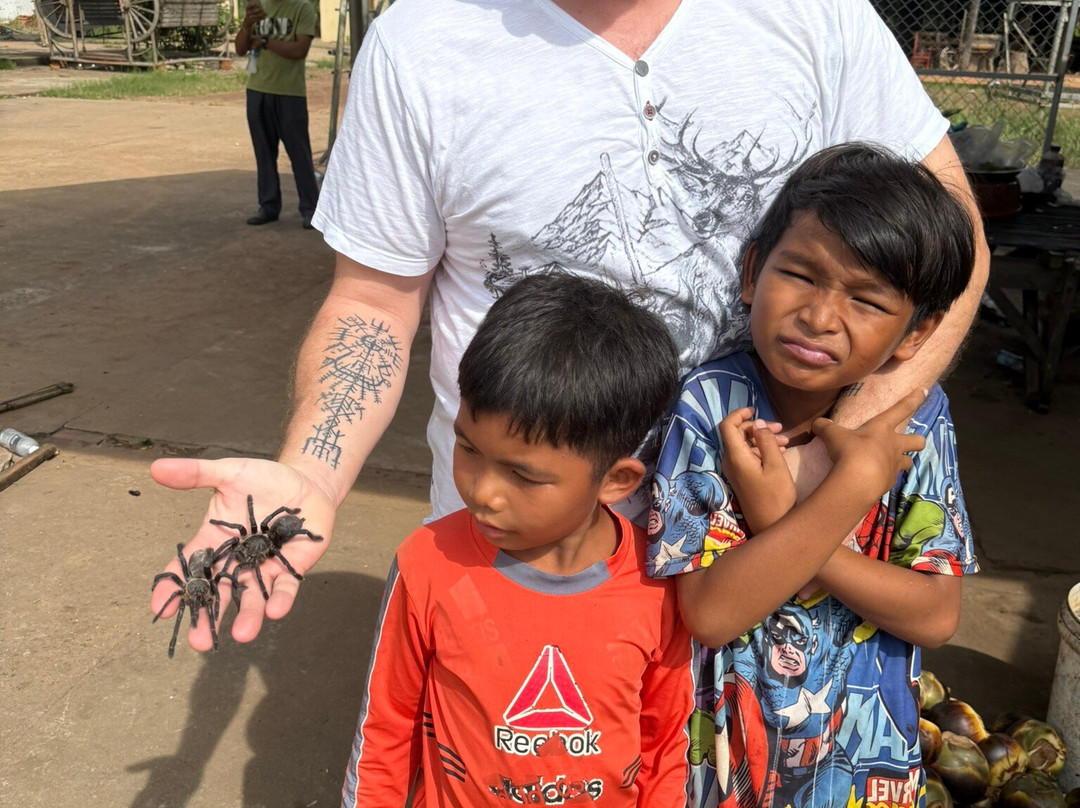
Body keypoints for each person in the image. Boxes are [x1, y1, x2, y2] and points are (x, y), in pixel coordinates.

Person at [149, 0, 989, 654]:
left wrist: (832, 454)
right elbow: (375, 300)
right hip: (527, 552)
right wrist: (312, 476)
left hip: (753, 559)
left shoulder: (815, 15)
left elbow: (954, 239)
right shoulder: (421, 42)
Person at [645, 143, 979, 808]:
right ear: (751, 272)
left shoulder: (919, 421)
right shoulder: (713, 406)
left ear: (918, 333)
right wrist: (849, 490)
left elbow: (936, 616)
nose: (821, 316)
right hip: (719, 774)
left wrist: (782, 520)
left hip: (864, 775)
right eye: (800, 274)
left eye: (866, 300)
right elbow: (709, 613)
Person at [341, 273, 694, 806]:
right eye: (467, 448)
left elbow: (666, 742)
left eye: (524, 477)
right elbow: (385, 731)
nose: (484, 493)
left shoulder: (658, 582)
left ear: (615, 481)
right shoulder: (427, 564)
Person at [234, 0, 319, 228]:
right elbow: (240, 49)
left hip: (290, 92)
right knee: (264, 153)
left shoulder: (303, 8)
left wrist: (264, 41)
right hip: (257, 90)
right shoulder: (257, 7)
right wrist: (246, 25)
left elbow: (299, 50)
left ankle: (311, 210)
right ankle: (268, 206)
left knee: (299, 154)